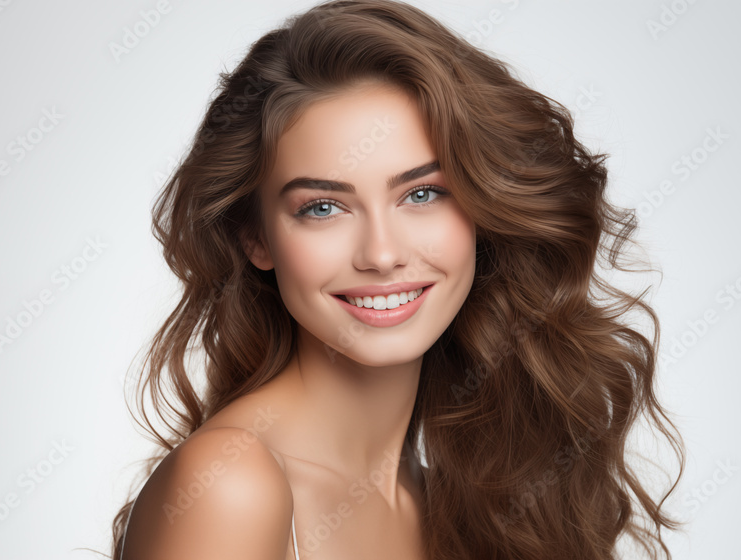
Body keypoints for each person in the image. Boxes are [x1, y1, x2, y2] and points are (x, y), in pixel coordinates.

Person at [108, 1, 684, 558]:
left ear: (483, 209)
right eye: (322, 207)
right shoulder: (230, 487)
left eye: (423, 193)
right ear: (254, 237)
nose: (381, 255)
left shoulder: (457, 501)